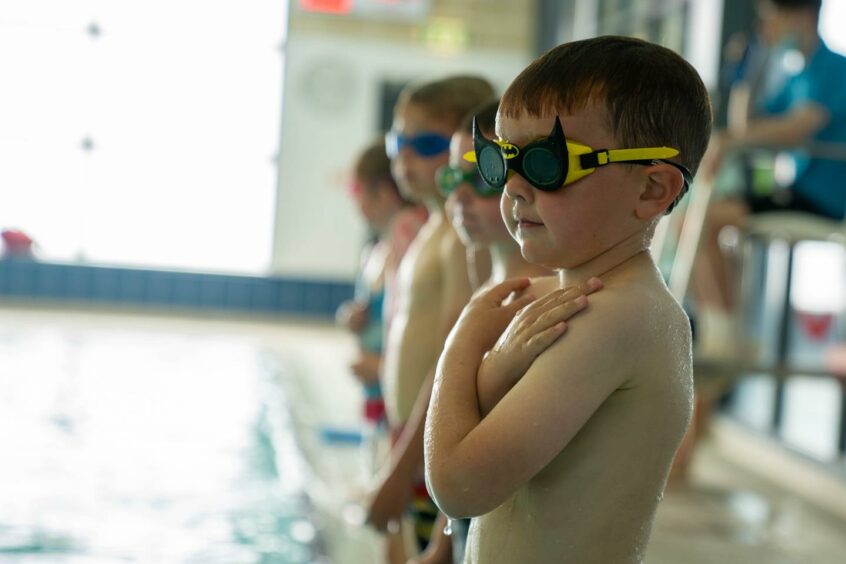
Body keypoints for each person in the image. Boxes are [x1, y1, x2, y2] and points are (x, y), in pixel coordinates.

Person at [425, 35, 712, 563]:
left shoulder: (615, 317)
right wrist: (493, 368)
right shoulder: (558, 302)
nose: (512, 187)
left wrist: (462, 342)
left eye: (546, 163)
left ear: (652, 189)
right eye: (500, 159)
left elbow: (458, 486)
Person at [366, 75, 495, 564]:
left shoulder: (461, 241)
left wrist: (400, 473)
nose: (404, 158)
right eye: (398, 142)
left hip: (426, 456)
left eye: (424, 144)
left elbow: (452, 367)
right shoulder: (431, 230)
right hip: (408, 442)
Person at [696, 0, 846, 352]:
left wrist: (730, 141)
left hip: (823, 199)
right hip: (796, 191)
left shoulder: (835, 68)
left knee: (706, 221)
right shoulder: (798, 75)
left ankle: (725, 340)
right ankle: (725, 332)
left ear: (803, 16)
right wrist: (748, 70)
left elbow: (797, 128)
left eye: (772, 17)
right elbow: (747, 124)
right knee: (698, 221)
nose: (766, 26)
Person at [438, 98, 552, 563]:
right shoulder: (493, 290)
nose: (458, 197)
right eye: (452, 179)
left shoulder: (538, 303)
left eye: (482, 177)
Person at [336, 139, 427, 476]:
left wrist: (387, 367)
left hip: (397, 380)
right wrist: (354, 319)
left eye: (356, 190)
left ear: (385, 192)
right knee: (381, 462)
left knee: (396, 475)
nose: (354, 202)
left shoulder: (408, 230)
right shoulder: (384, 243)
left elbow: (418, 318)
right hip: (384, 381)